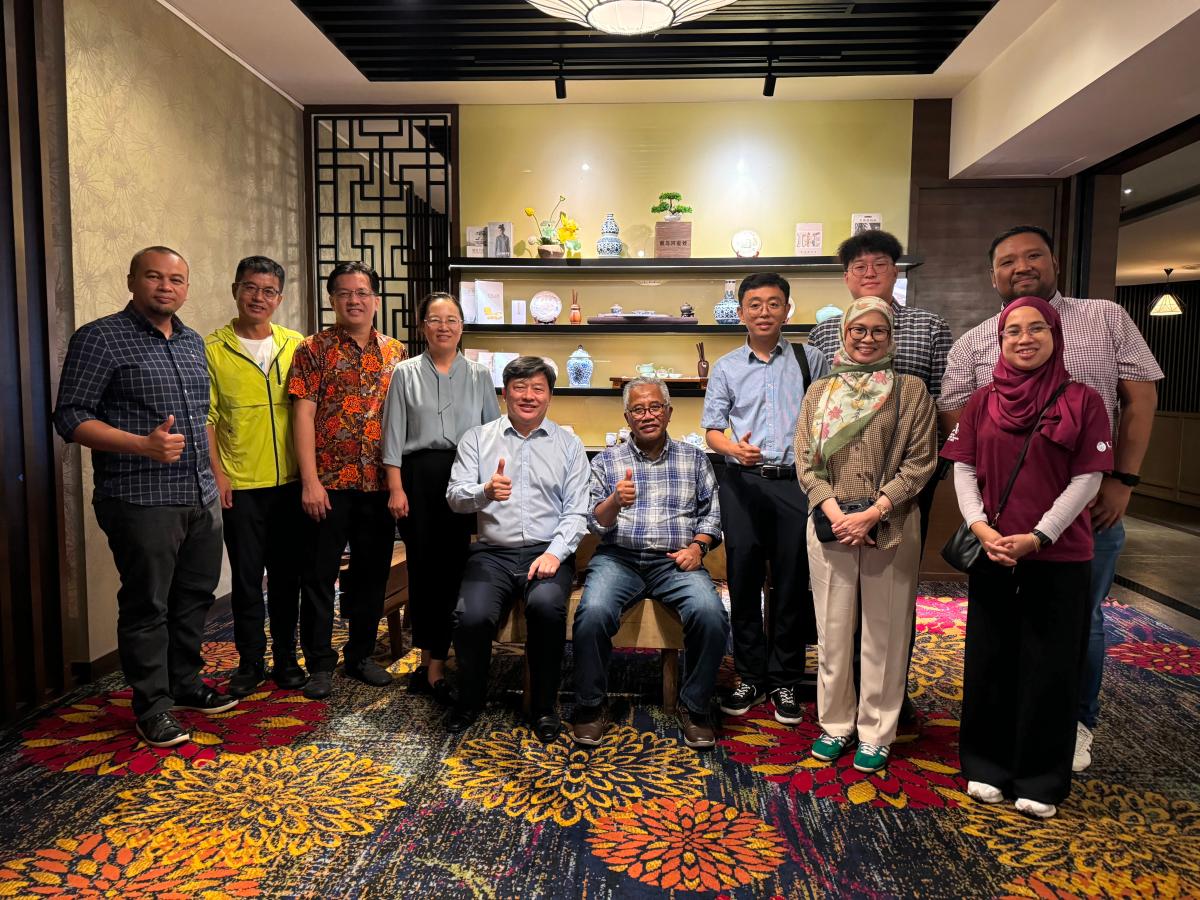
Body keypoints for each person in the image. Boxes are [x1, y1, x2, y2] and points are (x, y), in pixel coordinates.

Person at [939, 224, 1162, 772]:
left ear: (1055, 262)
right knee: (999, 630)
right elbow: (957, 420)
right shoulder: (974, 341)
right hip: (1000, 518)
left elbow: (1140, 399)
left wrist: (1122, 481)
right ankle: (1007, 729)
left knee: (1077, 622)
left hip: (1088, 505)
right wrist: (982, 512)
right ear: (992, 275)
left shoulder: (1105, 317)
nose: (1021, 267)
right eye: (1007, 260)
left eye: (1033, 255)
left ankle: (1073, 724)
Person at [53, 246, 236, 749]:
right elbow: (70, 416)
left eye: (176, 279)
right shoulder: (100, 338)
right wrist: (141, 445)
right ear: (132, 280)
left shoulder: (192, 341)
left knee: (194, 596)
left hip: (199, 493)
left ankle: (185, 684)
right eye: (154, 277)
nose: (166, 287)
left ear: (186, 287)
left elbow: (201, 419)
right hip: (140, 496)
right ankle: (152, 707)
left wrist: (215, 474)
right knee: (147, 604)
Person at [943, 296, 1112, 819]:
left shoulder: (1083, 400)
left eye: (1036, 328)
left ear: (1054, 335)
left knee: (1050, 665)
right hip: (994, 551)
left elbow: (1088, 479)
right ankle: (986, 764)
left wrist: (1039, 536)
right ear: (1001, 340)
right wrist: (980, 528)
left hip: (1060, 556)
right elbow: (964, 468)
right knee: (991, 659)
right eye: (1012, 330)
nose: (1024, 338)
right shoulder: (982, 401)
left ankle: (1039, 777)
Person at [808, 229, 953, 725]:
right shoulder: (823, 337)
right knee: (835, 616)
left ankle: (886, 706)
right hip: (833, 498)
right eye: (859, 266)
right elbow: (812, 439)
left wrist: (883, 503)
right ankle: (839, 709)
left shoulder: (928, 329)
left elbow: (943, 404)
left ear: (896, 270)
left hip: (899, 494)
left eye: (880, 264)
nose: (867, 338)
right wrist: (833, 507)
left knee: (888, 614)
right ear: (846, 277)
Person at [795, 297, 936, 774]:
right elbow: (805, 461)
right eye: (858, 329)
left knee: (885, 631)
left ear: (891, 336)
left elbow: (921, 461)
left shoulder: (911, 390)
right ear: (844, 334)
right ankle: (835, 724)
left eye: (878, 330)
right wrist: (838, 514)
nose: (868, 338)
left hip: (892, 522)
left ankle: (876, 731)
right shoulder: (820, 391)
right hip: (831, 522)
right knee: (832, 631)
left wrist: (873, 513)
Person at [572, 377, 728, 750]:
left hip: (675, 560)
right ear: (627, 417)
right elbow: (595, 522)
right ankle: (591, 705)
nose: (647, 415)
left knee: (711, 613)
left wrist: (698, 548)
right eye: (638, 409)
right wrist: (614, 501)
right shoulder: (607, 461)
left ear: (668, 412)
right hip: (619, 558)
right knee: (592, 612)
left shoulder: (695, 459)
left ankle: (695, 706)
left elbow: (711, 516)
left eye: (655, 407)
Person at [701, 272, 828, 725]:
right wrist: (733, 449)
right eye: (754, 305)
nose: (764, 312)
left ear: (787, 310)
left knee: (793, 583)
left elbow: (827, 420)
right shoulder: (726, 367)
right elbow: (712, 429)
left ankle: (785, 679)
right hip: (743, 483)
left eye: (774, 304)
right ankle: (750, 675)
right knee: (743, 580)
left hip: (796, 483)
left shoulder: (811, 359)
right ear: (741, 313)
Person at [445, 356, 589, 742]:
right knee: (470, 617)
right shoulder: (477, 439)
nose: (528, 396)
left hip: (547, 551)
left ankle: (543, 706)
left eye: (538, 388)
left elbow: (577, 511)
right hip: (492, 553)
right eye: (519, 388)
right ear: (505, 393)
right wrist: (484, 491)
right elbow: (455, 497)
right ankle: (470, 700)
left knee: (547, 608)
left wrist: (555, 553)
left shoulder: (569, 444)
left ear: (550, 396)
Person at [287, 261, 407, 700]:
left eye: (362, 292)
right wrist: (309, 481)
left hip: (378, 485)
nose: (354, 300)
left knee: (371, 575)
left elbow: (401, 419)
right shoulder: (312, 349)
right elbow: (303, 415)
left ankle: (360, 655)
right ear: (332, 299)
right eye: (344, 293)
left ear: (375, 299)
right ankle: (320, 662)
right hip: (328, 485)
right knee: (318, 576)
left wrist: (398, 483)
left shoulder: (396, 353)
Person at [382, 291, 500, 704]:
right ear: (423, 327)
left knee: (459, 568)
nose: (444, 327)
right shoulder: (405, 373)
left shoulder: (479, 375)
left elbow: (492, 435)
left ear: (462, 326)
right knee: (424, 571)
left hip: (467, 479)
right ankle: (429, 662)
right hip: (418, 479)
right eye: (435, 319)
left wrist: (490, 488)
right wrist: (395, 487)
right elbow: (393, 435)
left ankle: (451, 654)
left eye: (452, 319)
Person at [205, 256, 306, 697]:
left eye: (268, 291)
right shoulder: (212, 349)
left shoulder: (295, 344)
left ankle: (286, 658)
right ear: (235, 290)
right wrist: (218, 474)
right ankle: (249, 662)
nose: (258, 297)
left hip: (291, 484)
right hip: (242, 485)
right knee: (246, 580)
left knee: (287, 578)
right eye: (250, 287)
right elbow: (206, 418)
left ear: (279, 298)